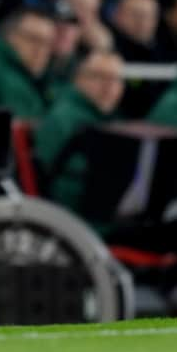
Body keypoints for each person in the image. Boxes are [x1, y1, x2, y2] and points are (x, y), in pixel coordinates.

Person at [34, 50, 125, 235]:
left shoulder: (106, 119)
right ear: (78, 79)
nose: (109, 87)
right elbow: (52, 177)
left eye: (116, 79)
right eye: (100, 77)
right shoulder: (63, 118)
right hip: (81, 221)